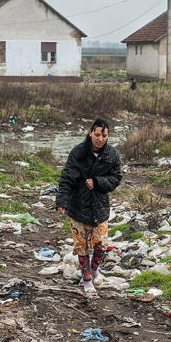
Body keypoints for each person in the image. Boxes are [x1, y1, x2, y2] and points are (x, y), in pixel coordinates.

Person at [56, 118, 122, 296]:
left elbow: (116, 178)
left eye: (104, 136)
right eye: (98, 134)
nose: (100, 139)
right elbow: (67, 178)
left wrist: (98, 182)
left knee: (101, 245)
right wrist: (62, 201)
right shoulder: (78, 153)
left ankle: (94, 270)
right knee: (82, 247)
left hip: (99, 207)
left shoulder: (111, 155)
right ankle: (86, 279)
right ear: (90, 133)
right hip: (78, 206)